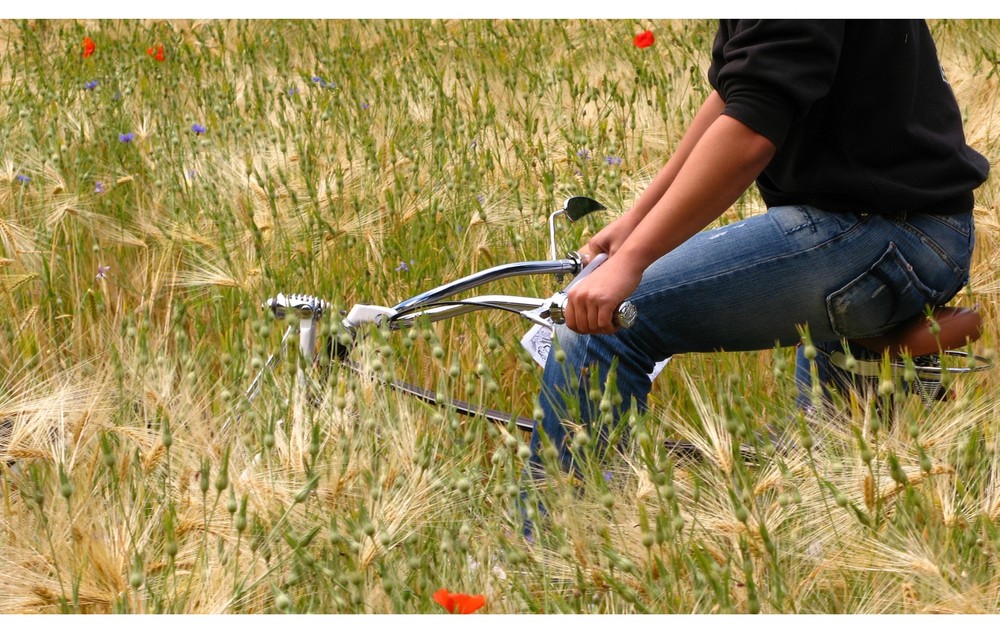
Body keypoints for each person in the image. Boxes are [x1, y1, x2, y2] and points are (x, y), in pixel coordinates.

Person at [524, 20, 990, 510]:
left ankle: (558, 556)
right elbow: (736, 93)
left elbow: (749, 131)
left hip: (881, 230)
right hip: (891, 221)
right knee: (835, 484)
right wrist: (635, 225)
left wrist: (632, 264)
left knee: (604, 329)